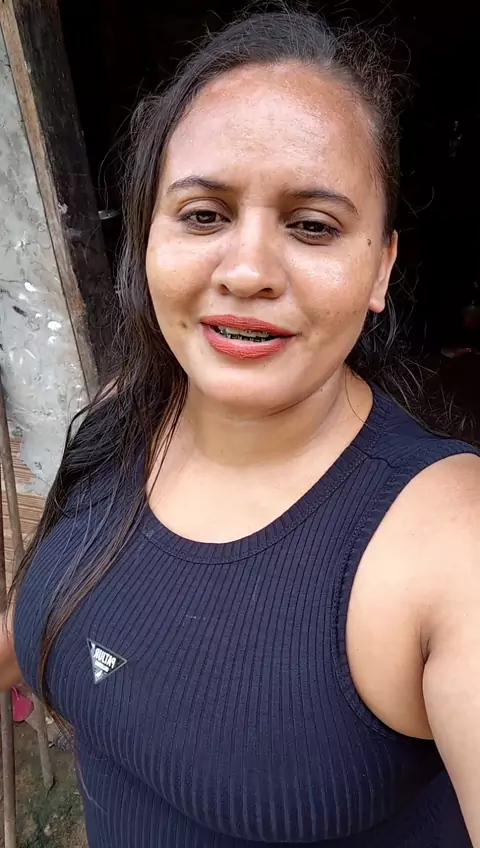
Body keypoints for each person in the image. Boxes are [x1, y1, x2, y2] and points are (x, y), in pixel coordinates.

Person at [2, 6, 480, 847]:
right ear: (148, 238)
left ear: (381, 268)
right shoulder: (122, 416)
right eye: (203, 215)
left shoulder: (447, 543)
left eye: (313, 226)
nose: (249, 271)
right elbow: (45, 621)